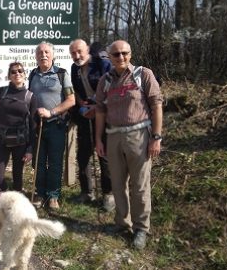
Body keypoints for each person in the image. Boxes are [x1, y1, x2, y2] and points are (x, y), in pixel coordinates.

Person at [95, 40, 163, 250]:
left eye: (124, 53)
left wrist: (156, 137)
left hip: (139, 136)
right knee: (117, 183)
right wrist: (98, 139)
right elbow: (100, 111)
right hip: (113, 136)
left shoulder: (143, 75)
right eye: (116, 54)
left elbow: (156, 104)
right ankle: (122, 223)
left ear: (130, 54)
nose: (121, 57)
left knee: (140, 185)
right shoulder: (105, 80)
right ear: (110, 57)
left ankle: (141, 228)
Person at [69, 39, 115, 211]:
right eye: (73, 53)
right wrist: (82, 105)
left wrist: (97, 107)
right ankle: (87, 191)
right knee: (83, 154)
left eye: (79, 51)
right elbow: (76, 90)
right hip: (84, 114)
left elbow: (112, 89)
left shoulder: (103, 64)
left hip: (104, 114)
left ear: (87, 49)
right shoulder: (74, 68)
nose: (77, 55)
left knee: (103, 154)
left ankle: (108, 194)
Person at [28, 41, 75, 209]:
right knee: (38, 162)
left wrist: (52, 112)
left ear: (53, 55)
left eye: (47, 52)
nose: (43, 55)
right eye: (40, 52)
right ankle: (40, 194)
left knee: (55, 162)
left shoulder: (62, 74)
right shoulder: (32, 74)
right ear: (36, 56)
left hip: (56, 125)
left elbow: (71, 100)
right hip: (37, 127)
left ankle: (53, 195)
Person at [0, 62, 37, 192]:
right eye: (13, 72)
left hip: (21, 142)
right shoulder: (1, 92)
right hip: (2, 140)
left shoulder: (30, 97)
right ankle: (6, 194)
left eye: (20, 71)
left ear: (24, 74)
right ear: (9, 76)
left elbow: (33, 125)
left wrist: (30, 149)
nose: (17, 73)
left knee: (17, 178)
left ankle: (16, 202)